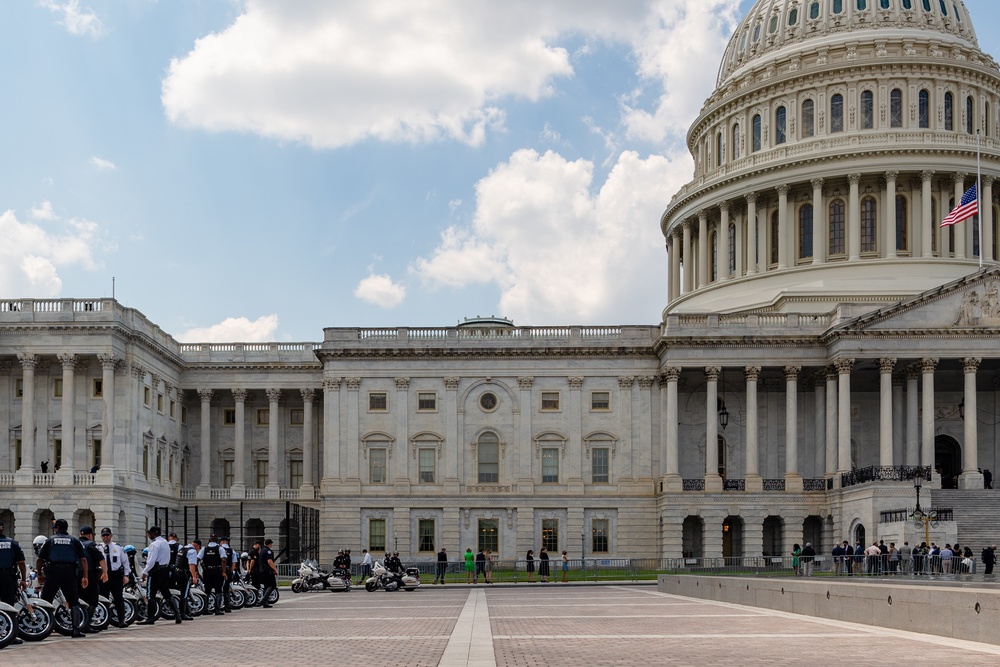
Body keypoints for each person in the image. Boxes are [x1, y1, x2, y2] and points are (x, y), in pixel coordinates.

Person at [36, 518, 88, 638]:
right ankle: (76, 630)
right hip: (69, 571)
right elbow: (83, 559)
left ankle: (44, 628)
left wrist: (39, 574)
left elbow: (40, 559)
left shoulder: (50, 540)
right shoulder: (75, 541)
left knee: (46, 599)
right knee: (73, 600)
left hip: (54, 570)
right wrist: (85, 576)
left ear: (57, 528)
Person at [140, 525, 181, 625]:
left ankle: (150, 617)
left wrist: (145, 572)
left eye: (149, 534)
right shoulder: (165, 543)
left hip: (155, 571)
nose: (148, 536)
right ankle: (177, 614)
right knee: (166, 592)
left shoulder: (155, 545)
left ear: (153, 534)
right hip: (165, 570)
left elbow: (151, 561)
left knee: (151, 594)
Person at [0, 519, 27, 645]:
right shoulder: (12, 543)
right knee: (9, 606)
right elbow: (21, 563)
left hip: (8, 577)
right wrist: (23, 579)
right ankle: (11, 635)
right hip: (7, 578)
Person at [98, 527, 131, 628]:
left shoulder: (118, 548)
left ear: (111, 536)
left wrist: (126, 575)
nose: (106, 537)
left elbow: (125, 563)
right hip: (103, 575)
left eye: (107, 535)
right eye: (104, 535)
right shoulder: (98, 548)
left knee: (118, 598)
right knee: (103, 599)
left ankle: (121, 620)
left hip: (115, 575)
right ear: (101, 537)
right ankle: (104, 621)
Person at [77, 526, 107, 633]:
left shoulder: (75, 543)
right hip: (89, 575)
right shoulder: (91, 544)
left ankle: (78, 624)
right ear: (90, 535)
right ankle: (86, 625)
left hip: (75, 575)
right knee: (93, 600)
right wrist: (105, 572)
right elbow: (101, 559)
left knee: (79, 600)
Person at [200, 533, 228, 616]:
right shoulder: (220, 548)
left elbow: (198, 559)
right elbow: (223, 560)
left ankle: (205, 609)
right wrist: (223, 572)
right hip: (217, 571)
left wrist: (199, 570)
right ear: (217, 540)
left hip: (207, 571)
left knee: (207, 590)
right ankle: (217, 609)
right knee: (218, 590)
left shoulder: (204, 549)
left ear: (209, 540)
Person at [174, 537, 199, 621]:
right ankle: (182, 613)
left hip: (177, 572)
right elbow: (191, 565)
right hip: (184, 574)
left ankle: (186, 611)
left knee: (180, 592)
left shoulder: (182, 549)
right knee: (184, 594)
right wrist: (194, 576)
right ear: (197, 546)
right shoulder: (192, 551)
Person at [256, 538, 278, 608]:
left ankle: (265, 602)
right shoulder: (268, 551)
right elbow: (269, 561)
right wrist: (275, 570)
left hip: (262, 570)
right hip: (267, 571)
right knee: (272, 586)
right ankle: (264, 600)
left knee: (266, 586)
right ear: (270, 544)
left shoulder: (262, 550)